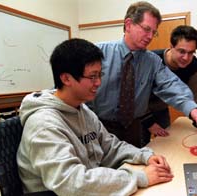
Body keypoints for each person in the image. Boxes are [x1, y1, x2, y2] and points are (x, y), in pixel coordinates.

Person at [17, 38, 173, 196]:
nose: (99, 82)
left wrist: (145, 156)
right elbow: (72, 182)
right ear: (66, 78)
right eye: (92, 77)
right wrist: (140, 177)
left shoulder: (82, 109)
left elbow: (110, 147)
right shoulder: (44, 125)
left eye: (100, 75)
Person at [88, 1, 197, 147]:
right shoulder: (98, 53)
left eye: (154, 32)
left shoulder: (152, 61)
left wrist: (193, 110)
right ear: (128, 24)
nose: (150, 36)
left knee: (133, 166)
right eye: (146, 29)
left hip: (132, 128)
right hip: (99, 127)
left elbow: (172, 86)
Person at [144, 25, 197, 143]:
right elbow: (136, 96)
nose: (186, 58)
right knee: (143, 146)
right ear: (171, 47)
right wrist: (148, 122)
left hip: (161, 109)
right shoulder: (151, 60)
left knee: (167, 142)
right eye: (182, 51)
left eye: (191, 53)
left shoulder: (193, 65)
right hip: (141, 112)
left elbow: (195, 93)